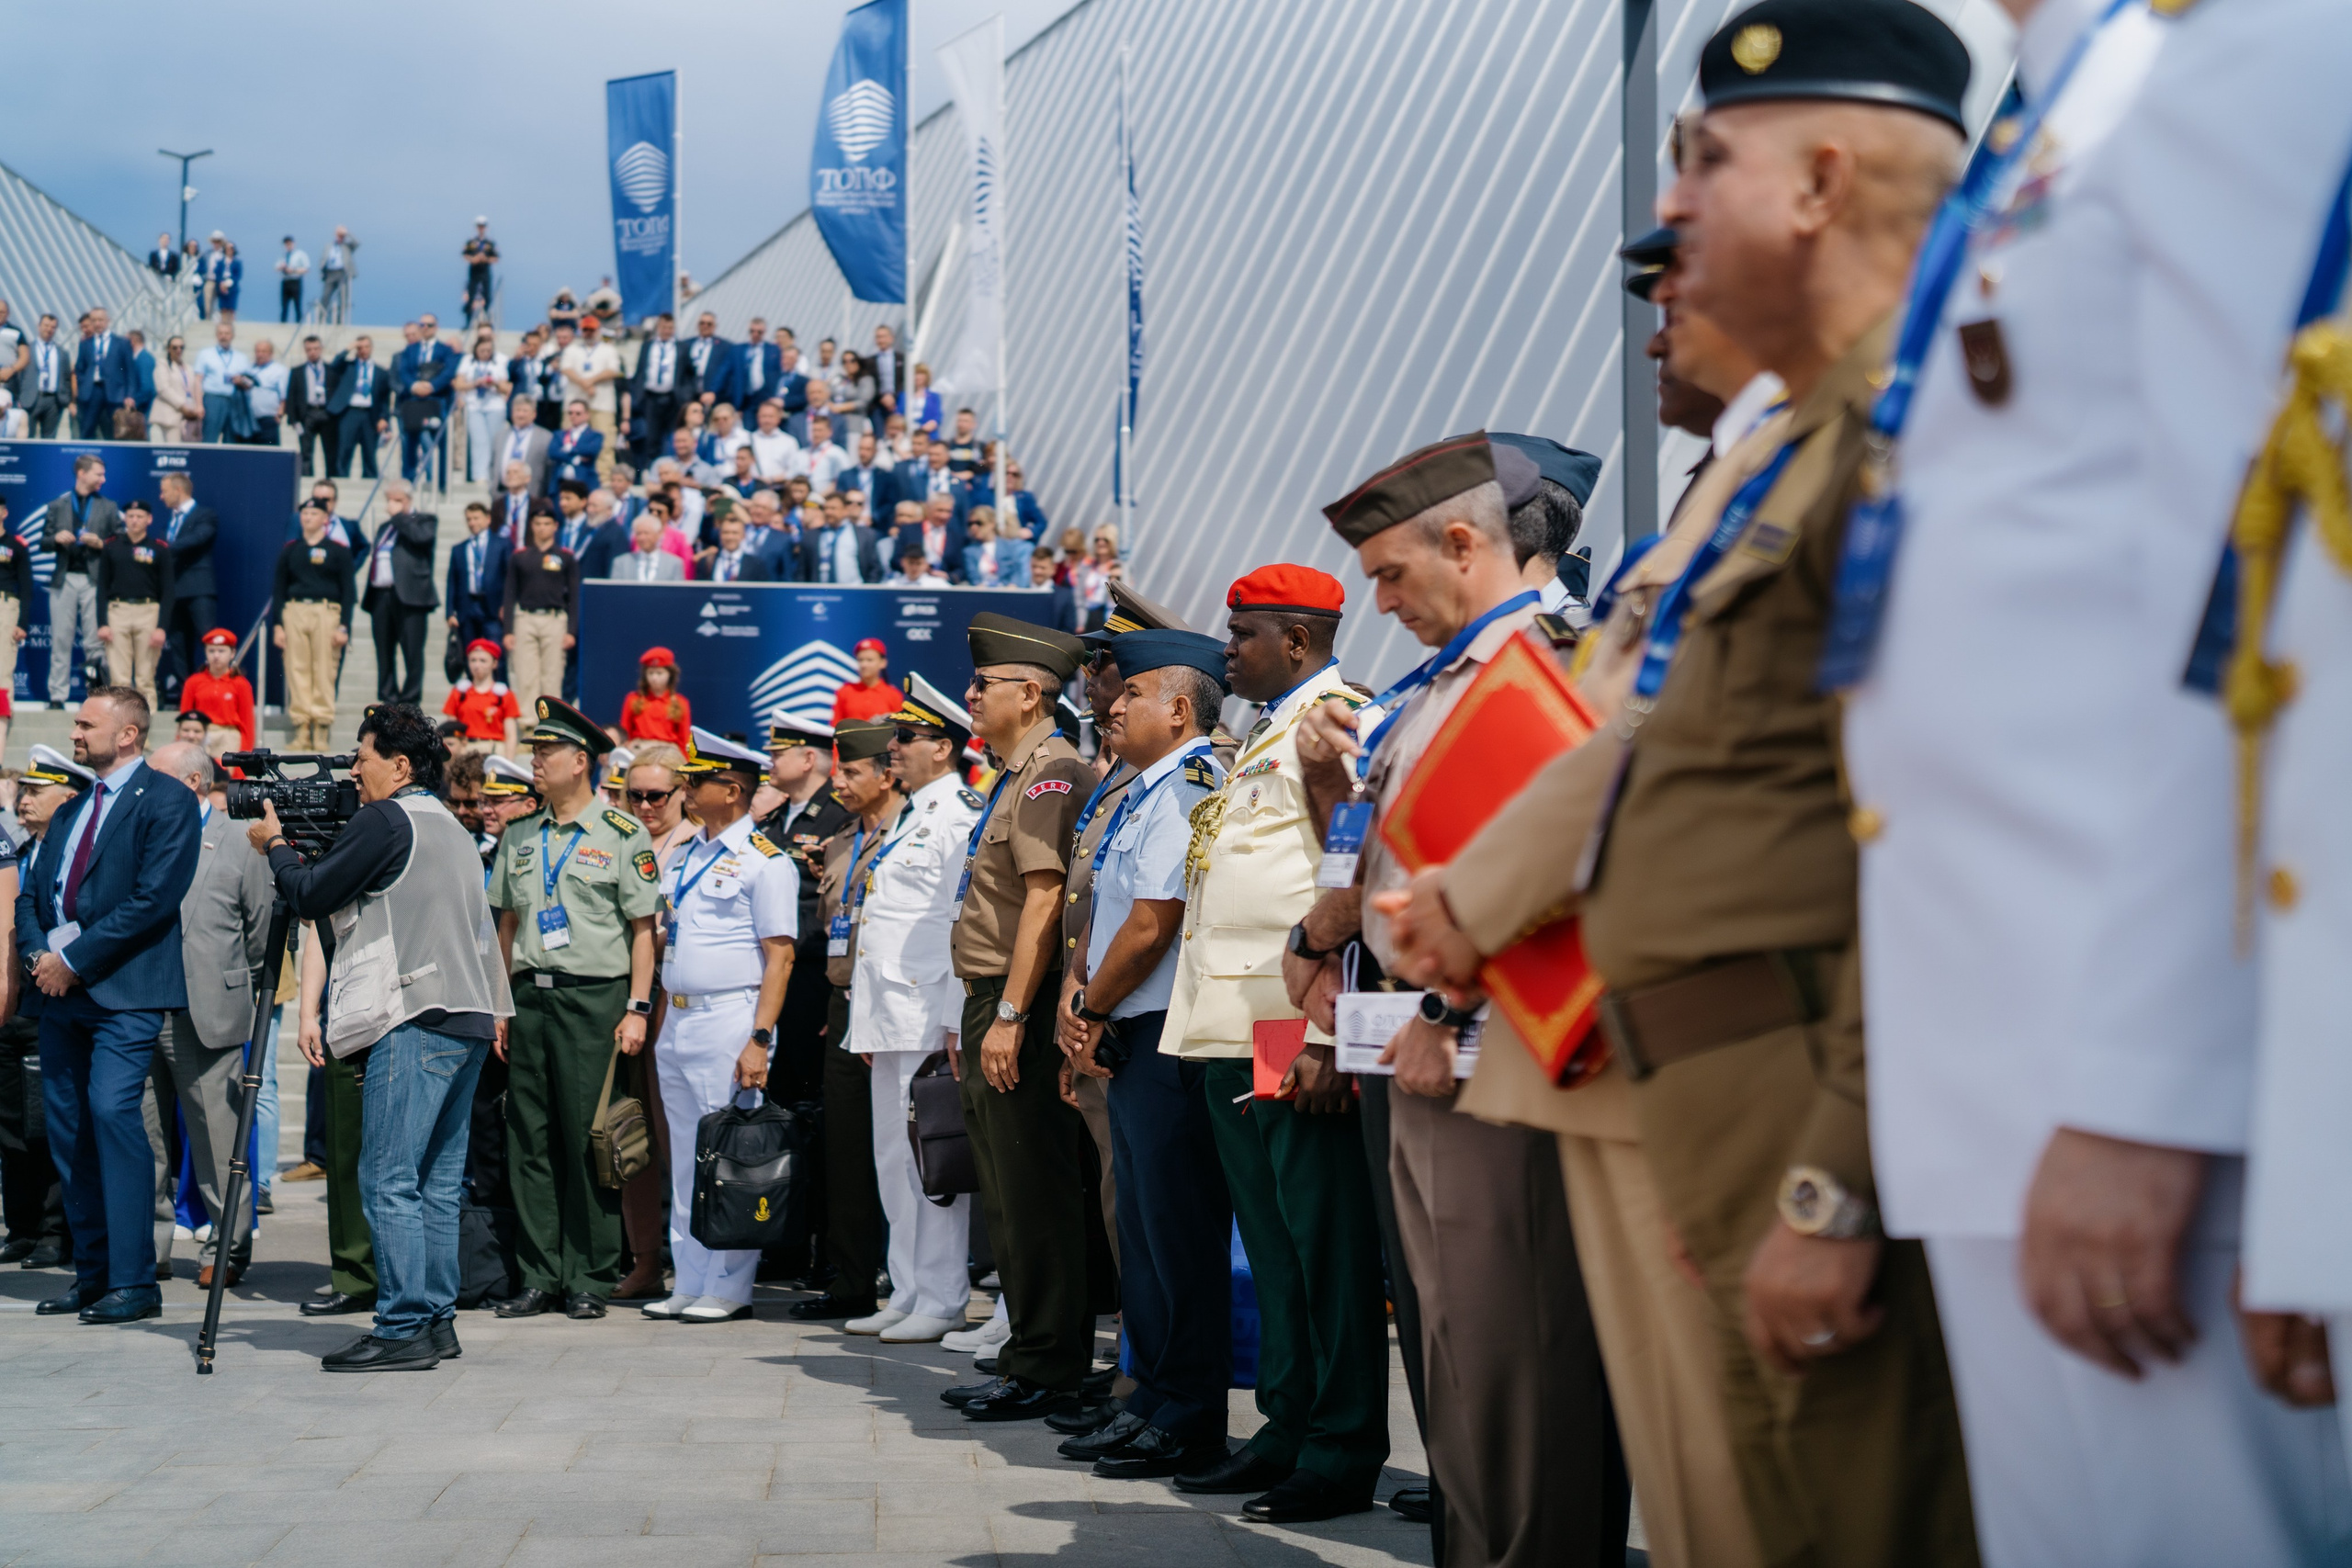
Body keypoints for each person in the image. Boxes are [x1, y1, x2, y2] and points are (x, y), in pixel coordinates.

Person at [1822, 0, 2352, 1559]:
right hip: (2012, 1073)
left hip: (2147, 1076)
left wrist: (2161, 1084)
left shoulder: (2249, 55)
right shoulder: (2064, 98)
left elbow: (2266, 610)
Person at [1290, 434, 1631, 1566]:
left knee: (1518, 1358)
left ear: (1463, 541)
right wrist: (1326, 791)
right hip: (1410, 1047)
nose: (1378, 605)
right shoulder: (1422, 689)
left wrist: (1445, 1017)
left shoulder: (1556, 664)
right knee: (1451, 1361)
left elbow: (1568, 872)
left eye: (1391, 576)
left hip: (1495, 1050)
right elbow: (1362, 869)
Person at [1136, 565, 1395, 1517]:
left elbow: (1349, 876)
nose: (1226, 648)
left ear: (1296, 639)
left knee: (1319, 1238)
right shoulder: (1264, 729)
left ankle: (1339, 1444)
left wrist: (1330, 1033)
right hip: (1230, 1023)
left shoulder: (1339, 720)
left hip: (1290, 1021)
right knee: (1273, 1243)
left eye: (1243, 633)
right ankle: (1287, 1422)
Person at [250, 703, 514, 1370]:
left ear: (399, 765)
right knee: (434, 1180)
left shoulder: (387, 817)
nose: (353, 772)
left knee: (389, 1176)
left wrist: (276, 845)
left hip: (415, 1015)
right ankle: (437, 1320)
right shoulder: (449, 824)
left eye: (360, 759)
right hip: (467, 1018)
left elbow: (309, 895)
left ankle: (401, 1326)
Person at [1056, 627, 1232, 1474]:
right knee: (1147, 1229)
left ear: (1179, 706)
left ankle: (1189, 1408)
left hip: (1166, 1034)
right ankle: (1154, 1394)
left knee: (1177, 1228)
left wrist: (1089, 1005)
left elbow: (1154, 922)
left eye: (1130, 693)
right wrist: (1082, 1002)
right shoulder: (1140, 788)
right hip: (1129, 1026)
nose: (1111, 703)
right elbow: (1107, 909)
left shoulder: (1192, 782)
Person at [940, 617, 1109, 1423]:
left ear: (1031, 693)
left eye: (983, 684)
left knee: (1034, 1188)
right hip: (989, 998)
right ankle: (1031, 1353)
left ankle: (1049, 1362)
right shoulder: (1013, 774)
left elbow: (1044, 900)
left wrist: (1008, 1014)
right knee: (1006, 1191)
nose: (970, 696)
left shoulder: (1050, 774)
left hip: (1022, 1004)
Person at [19, 686, 201, 1325]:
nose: (76, 732)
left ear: (128, 733)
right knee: (69, 1134)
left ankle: (135, 1281)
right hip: (60, 998)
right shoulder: (71, 809)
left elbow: (153, 898)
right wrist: (41, 956)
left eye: (86, 723)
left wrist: (75, 959)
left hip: (125, 993)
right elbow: (34, 891)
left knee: (112, 1115)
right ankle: (93, 1274)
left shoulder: (169, 800)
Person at [484, 698, 657, 1323]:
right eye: (534, 750)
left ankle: (589, 1272)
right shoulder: (522, 834)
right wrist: (499, 1002)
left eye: (546, 752)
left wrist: (637, 1007)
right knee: (529, 1137)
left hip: (594, 998)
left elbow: (644, 929)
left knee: (591, 1140)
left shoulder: (621, 834)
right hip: (530, 995)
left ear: (580, 761)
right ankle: (539, 1274)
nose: (535, 761)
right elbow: (507, 922)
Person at [640, 730, 798, 1325]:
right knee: (687, 1154)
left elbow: (779, 955)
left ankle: (730, 1283)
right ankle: (692, 1276)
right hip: (678, 1015)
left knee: (729, 1156)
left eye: (696, 780)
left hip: (731, 1015)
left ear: (731, 791)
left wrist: (759, 1037)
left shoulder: (766, 859)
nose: (685, 788)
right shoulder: (688, 854)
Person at [842, 696, 980, 1342]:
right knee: (894, 1157)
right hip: (888, 1008)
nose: (893, 747)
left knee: (933, 1158)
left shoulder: (959, 815)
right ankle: (908, 1287)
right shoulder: (910, 815)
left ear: (944, 747)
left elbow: (960, 923)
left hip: (927, 1008)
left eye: (908, 736)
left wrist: (954, 1015)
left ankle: (943, 1293)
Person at [145, 741, 272, 1288]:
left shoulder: (237, 840)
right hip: (140, 1006)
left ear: (192, 783)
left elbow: (261, 930)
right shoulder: (141, 833)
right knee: (144, 1138)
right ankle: (146, 1250)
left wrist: (229, 983)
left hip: (207, 1012)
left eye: (156, 778)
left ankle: (226, 1249)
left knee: (218, 1138)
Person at [786, 717, 898, 1323]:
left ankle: (903, 1279)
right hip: (844, 1002)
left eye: (852, 771)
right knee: (848, 1146)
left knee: (898, 1151)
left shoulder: (908, 833)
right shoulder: (840, 840)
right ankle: (852, 1276)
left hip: (892, 1000)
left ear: (888, 772)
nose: (840, 782)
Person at [0, 746, 92, 1271]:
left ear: (68, 797)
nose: (25, 799)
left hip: (52, 1002)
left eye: (38, 791)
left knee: (48, 1122)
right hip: (16, 1003)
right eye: (25, 790)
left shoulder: (65, 851)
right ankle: (24, 1226)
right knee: (12, 1125)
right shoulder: (22, 850)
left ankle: (58, 1232)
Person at [756, 712, 853, 1111]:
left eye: (779, 753)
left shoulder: (840, 812)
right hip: (770, 968)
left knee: (805, 1085)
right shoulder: (774, 815)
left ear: (808, 760)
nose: (770, 762)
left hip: (811, 970)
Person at [270, 502, 355, 752]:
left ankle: (321, 727)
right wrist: (278, 625)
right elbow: (278, 590)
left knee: (324, 668)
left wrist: (344, 626)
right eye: (304, 513)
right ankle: (301, 727)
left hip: (326, 611)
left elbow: (348, 592)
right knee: (297, 668)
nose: (308, 517)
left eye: (313, 513)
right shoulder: (291, 550)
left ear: (325, 518)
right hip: (295, 610)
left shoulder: (338, 551)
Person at [45, 454, 119, 710]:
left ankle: (96, 697)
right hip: (64, 579)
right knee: (61, 639)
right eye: (99, 474)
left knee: (94, 642)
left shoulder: (108, 506)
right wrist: (56, 539)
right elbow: (43, 542)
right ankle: (57, 696)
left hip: (94, 580)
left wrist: (102, 543)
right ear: (82, 473)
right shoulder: (58, 504)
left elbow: (119, 541)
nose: (103, 479)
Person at [362, 481, 439, 707]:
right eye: (389, 500)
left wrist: (398, 517)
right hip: (381, 594)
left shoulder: (424, 520)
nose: (391, 505)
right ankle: (388, 696)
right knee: (384, 649)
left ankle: (410, 698)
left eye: (396, 500)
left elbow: (420, 538)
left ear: (408, 500)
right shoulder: (385, 527)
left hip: (411, 597)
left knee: (412, 651)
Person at [93, 500, 175, 712]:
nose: (134, 520)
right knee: (119, 679)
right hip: (117, 611)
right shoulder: (111, 546)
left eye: (139, 516)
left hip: (148, 612)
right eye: (130, 516)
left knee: (145, 678)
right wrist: (102, 623)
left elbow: (168, 591)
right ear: (125, 519)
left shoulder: (159, 548)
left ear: (149, 519)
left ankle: (145, 737)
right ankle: (119, 733)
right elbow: (101, 587)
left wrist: (161, 627)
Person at [503, 504, 581, 720]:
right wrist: (508, 630)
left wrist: (571, 631)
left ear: (555, 526)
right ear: (531, 526)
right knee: (526, 674)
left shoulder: (565, 556)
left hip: (555, 619)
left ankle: (551, 722)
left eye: (547, 524)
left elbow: (574, 596)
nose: (542, 528)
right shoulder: (521, 556)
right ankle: (528, 722)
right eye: (537, 524)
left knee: (552, 675)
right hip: (525, 618)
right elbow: (509, 594)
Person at [155, 471, 220, 700]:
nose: (161, 497)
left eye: (164, 491)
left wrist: (162, 548)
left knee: (209, 641)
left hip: (199, 589)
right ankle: (187, 696)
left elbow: (198, 539)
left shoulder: (205, 515)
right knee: (178, 646)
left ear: (178, 490)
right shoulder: (170, 521)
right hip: (174, 592)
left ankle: (215, 691)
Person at [446, 501, 512, 684]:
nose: (472, 523)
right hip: (468, 606)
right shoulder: (460, 548)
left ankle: (500, 691)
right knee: (470, 651)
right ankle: (473, 691)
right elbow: (453, 581)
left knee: (496, 652)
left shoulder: (502, 544)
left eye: (476, 518)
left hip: (492, 607)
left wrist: (506, 605)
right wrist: (450, 611)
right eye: (469, 519)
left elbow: (509, 578)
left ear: (488, 519)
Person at [394, 318, 457, 488]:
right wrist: (414, 385)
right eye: (422, 325)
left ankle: (438, 480)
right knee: (409, 442)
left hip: (435, 401)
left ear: (436, 327)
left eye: (429, 325)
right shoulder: (411, 349)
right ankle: (408, 480)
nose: (425, 328)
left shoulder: (445, 350)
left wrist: (431, 386)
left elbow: (449, 371)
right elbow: (404, 371)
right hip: (413, 401)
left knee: (433, 440)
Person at [560, 316, 624, 479]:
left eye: (591, 330)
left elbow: (613, 370)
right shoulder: (572, 349)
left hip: (602, 403)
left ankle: (604, 479)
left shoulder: (608, 349)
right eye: (585, 329)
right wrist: (584, 383)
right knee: (569, 441)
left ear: (598, 330)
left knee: (605, 444)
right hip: (575, 403)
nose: (588, 333)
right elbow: (566, 368)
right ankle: (570, 478)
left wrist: (590, 381)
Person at [179, 629, 254, 755]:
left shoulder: (241, 684)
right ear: (206, 652)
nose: (216, 656)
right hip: (200, 735)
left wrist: (246, 753)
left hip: (228, 735)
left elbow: (247, 722)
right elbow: (185, 717)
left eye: (221, 651)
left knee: (225, 773)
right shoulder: (193, 682)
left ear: (232, 653)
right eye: (211, 651)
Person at [628, 313, 688, 467]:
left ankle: (670, 466)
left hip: (672, 398)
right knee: (651, 436)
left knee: (671, 436)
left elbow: (688, 374)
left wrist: (684, 395)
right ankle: (651, 468)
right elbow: (640, 371)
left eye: (670, 328)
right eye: (663, 327)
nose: (667, 331)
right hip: (651, 398)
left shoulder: (681, 347)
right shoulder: (648, 346)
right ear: (658, 328)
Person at [442, 640, 520, 757]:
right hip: (466, 748)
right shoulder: (459, 693)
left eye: (483, 660)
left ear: (494, 663)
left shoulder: (504, 695)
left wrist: (508, 761)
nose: (477, 665)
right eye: (473, 660)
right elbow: (451, 731)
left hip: (494, 748)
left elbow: (511, 734)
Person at [73, 308, 135, 443]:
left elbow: (129, 371)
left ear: (108, 321)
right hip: (91, 391)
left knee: (113, 432)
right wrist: (83, 385)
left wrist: (129, 394)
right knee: (87, 430)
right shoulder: (86, 344)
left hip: (114, 392)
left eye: (100, 320)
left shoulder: (121, 343)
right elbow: (80, 368)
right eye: (94, 320)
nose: (97, 323)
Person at [458, 334, 511, 484]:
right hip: (475, 406)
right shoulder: (467, 361)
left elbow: (506, 387)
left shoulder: (499, 362)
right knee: (479, 440)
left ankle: (493, 473)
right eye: (482, 350)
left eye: (489, 350)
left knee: (494, 439)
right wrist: (475, 383)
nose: (486, 353)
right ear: (476, 350)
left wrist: (494, 383)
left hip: (494, 406)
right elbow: (459, 384)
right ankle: (479, 475)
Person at [191, 319, 252, 445]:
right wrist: (199, 404)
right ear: (216, 335)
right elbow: (197, 380)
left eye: (227, 333)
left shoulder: (241, 357)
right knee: (210, 437)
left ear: (232, 335)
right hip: (213, 399)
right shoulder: (206, 354)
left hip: (234, 400)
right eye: (221, 333)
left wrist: (241, 380)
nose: (223, 336)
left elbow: (250, 382)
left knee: (232, 438)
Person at [618, 649, 694, 748]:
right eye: (650, 673)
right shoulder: (633, 699)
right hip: (640, 748)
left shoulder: (680, 702)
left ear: (670, 674)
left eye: (659, 673)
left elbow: (684, 738)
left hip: (668, 751)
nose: (654, 678)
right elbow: (625, 732)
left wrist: (684, 762)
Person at [287, 335, 336, 475]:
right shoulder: (297, 371)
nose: (312, 352)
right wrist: (293, 419)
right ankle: (307, 476)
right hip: (307, 413)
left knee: (330, 449)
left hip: (326, 412)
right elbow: (291, 396)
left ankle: (330, 478)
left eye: (315, 349)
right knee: (306, 449)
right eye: (309, 349)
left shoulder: (330, 369)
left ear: (321, 349)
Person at [831, 639, 902, 728]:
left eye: (870, 660)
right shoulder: (845, 691)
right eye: (860, 660)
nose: (864, 665)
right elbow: (835, 727)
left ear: (883, 663)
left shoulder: (893, 694)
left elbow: (899, 727)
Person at [147, 334, 200, 446]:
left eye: (181, 347)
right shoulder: (163, 364)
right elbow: (163, 389)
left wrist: (195, 407)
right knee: (172, 451)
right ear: (168, 349)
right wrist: (182, 406)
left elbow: (193, 388)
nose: (178, 350)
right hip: (168, 417)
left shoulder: (188, 368)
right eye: (175, 347)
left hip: (186, 417)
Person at [548, 400, 605, 496]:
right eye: (570, 413)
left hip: (584, 483)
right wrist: (574, 458)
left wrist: (570, 449)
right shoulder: (560, 434)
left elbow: (591, 450)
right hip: (560, 483)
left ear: (587, 415)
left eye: (578, 413)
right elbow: (552, 452)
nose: (573, 416)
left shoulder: (596, 435)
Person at [613, 511, 686, 582]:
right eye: (638, 533)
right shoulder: (621, 563)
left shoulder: (674, 564)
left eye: (646, 533)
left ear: (658, 534)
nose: (642, 538)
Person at [242, 337, 288, 449]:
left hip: (268, 419)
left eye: (263, 351)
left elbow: (284, 395)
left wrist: (280, 413)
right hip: (249, 419)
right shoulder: (249, 369)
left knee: (268, 452)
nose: (260, 354)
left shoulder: (279, 370)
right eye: (258, 351)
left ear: (271, 353)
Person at [700, 513, 775, 583]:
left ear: (743, 535)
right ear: (720, 535)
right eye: (726, 532)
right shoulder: (707, 562)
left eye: (735, 533)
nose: (730, 537)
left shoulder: (756, 564)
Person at [460, 219, 497, 328]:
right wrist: (473, 259)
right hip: (473, 273)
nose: (481, 228)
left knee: (487, 297)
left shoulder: (490, 243)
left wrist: (485, 259)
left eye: (483, 226)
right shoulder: (471, 242)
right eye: (479, 226)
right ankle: (468, 322)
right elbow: (465, 255)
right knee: (471, 296)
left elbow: (495, 258)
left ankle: (488, 322)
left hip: (485, 272)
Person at [319, 227, 356, 323]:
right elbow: (324, 258)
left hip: (342, 273)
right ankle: (322, 319)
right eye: (338, 235)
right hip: (330, 273)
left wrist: (346, 233)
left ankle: (340, 320)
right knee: (325, 296)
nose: (339, 237)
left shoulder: (347, 246)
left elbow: (357, 243)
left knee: (343, 298)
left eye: (341, 236)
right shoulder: (329, 246)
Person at [277, 236, 310, 322]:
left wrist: (293, 270)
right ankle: (283, 324)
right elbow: (276, 267)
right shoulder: (283, 255)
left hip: (295, 281)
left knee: (297, 305)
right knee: (284, 305)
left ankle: (298, 324)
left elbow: (306, 268)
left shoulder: (300, 254)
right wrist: (282, 268)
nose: (288, 245)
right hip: (285, 281)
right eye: (286, 244)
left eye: (289, 243)